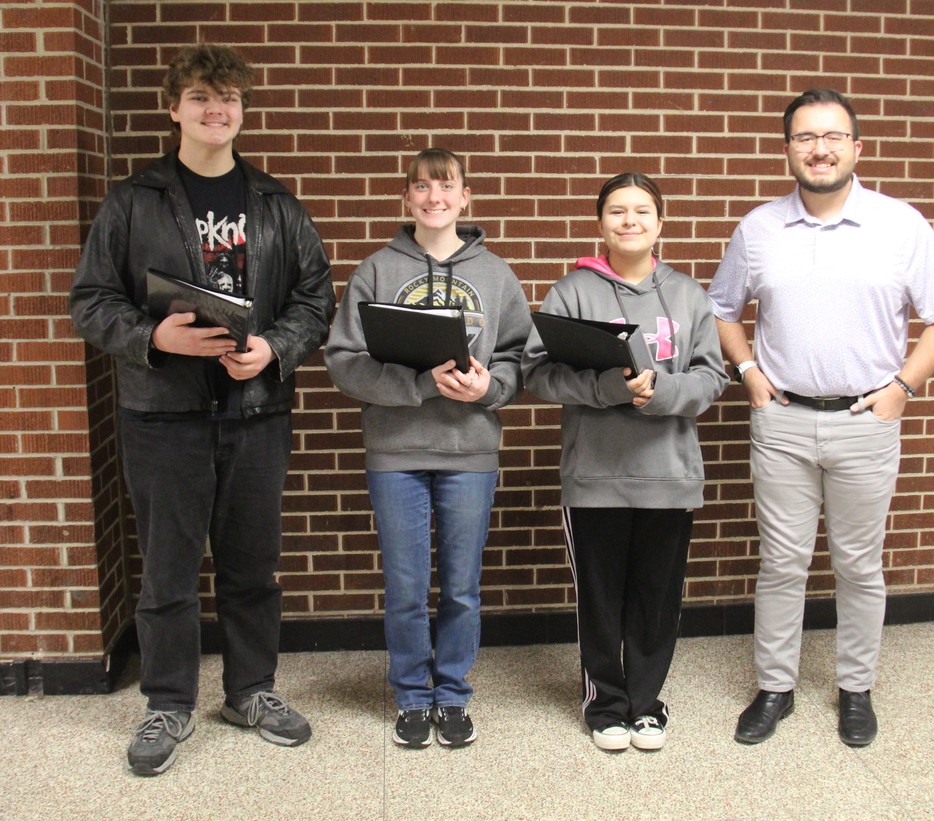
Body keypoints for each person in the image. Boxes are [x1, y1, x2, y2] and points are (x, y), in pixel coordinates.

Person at [69, 44, 335, 775]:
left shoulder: (278, 203)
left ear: (243, 111)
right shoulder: (133, 200)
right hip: (163, 415)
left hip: (256, 411)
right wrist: (154, 335)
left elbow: (317, 299)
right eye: (200, 98)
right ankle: (168, 702)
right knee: (167, 570)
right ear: (174, 107)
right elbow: (90, 302)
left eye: (229, 100)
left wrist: (275, 348)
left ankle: (250, 690)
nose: (217, 111)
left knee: (253, 566)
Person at [708, 89, 934, 747]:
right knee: (782, 562)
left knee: (858, 564)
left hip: (865, 421)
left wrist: (903, 387)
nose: (819, 148)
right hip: (784, 419)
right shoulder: (759, 227)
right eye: (804, 137)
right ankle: (774, 687)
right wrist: (749, 374)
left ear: (857, 147)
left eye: (831, 136)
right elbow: (721, 310)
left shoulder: (900, 224)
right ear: (788, 149)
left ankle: (856, 688)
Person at [324, 148, 531, 749]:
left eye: (446, 187)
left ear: (465, 198)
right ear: (406, 199)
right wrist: (417, 384)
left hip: (470, 450)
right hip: (397, 450)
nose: (434, 197)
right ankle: (412, 696)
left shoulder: (494, 274)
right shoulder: (377, 270)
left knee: (463, 584)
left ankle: (453, 694)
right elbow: (345, 361)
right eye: (422, 187)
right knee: (408, 585)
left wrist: (489, 387)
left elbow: (521, 357)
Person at [521, 173, 728, 751]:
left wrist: (658, 391)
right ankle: (605, 703)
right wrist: (610, 388)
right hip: (596, 477)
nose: (629, 220)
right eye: (617, 211)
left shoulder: (688, 295)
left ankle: (646, 703)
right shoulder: (573, 292)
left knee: (656, 599)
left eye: (642, 211)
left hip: (669, 474)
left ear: (660, 224)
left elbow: (713, 377)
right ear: (600, 224)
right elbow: (538, 374)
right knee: (601, 597)